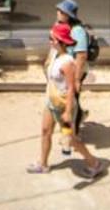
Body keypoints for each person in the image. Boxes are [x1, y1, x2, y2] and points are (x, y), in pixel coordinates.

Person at [30, 22, 105, 178]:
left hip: (64, 106)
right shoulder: (54, 55)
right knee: (45, 131)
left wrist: (68, 112)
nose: (49, 40)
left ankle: (94, 163)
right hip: (51, 104)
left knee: (70, 140)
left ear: (59, 40)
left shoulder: (67, 62)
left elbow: (71, 88)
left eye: (51, 38)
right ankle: (42, 164)